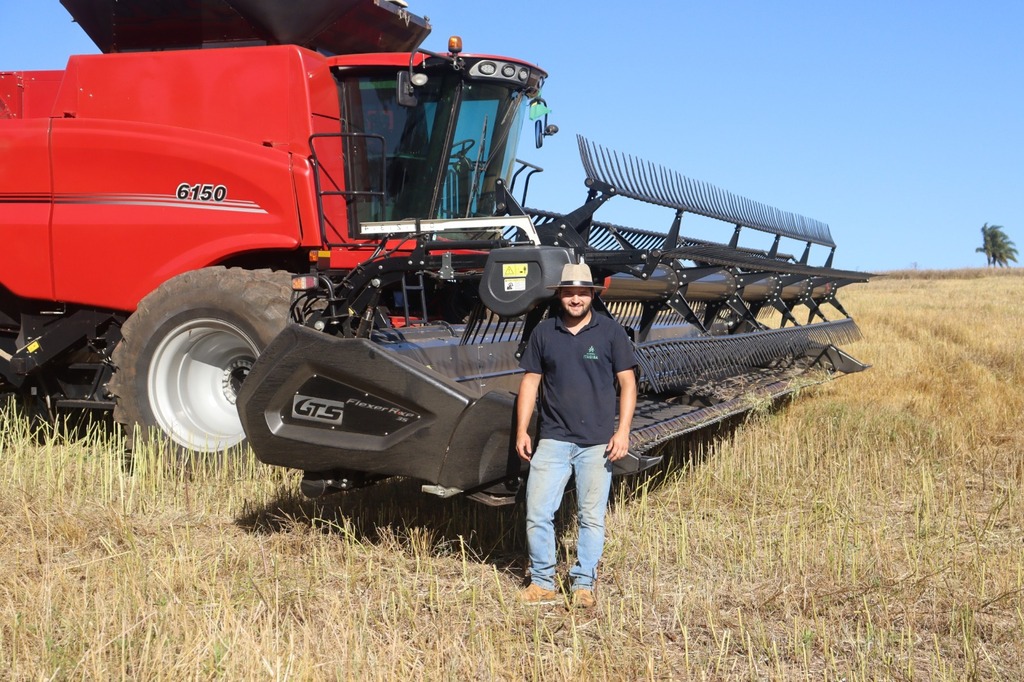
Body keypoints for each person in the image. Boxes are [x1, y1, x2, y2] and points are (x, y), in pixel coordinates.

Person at [515, 262, 637, 608]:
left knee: (590, 516)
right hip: (552, 438)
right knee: (538, 511)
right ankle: (542, 581)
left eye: (583, 292)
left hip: (597, 443)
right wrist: (522, 430)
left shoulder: (611, 332)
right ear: (560, 295)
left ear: (592, 295)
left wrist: (623, 431)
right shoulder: (544, 333)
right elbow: (530, 383)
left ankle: (583, 583)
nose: (576, 298)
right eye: (570, 292)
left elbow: (627, 383)